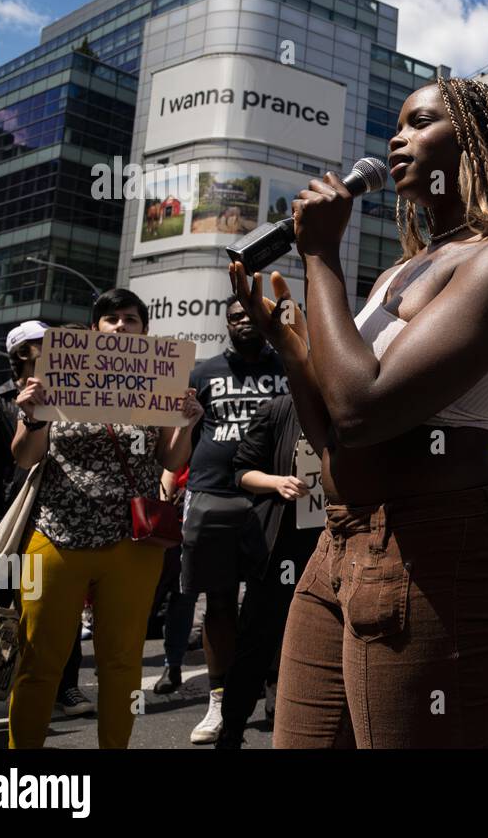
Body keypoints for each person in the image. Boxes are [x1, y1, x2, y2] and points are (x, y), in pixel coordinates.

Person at [230, 77, 488, 748]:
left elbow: (365, 410)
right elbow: (331, 427)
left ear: (477, 142)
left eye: (420, 122)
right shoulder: (400, 273)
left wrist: (321, 256)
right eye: (396, 126)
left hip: (436, 545)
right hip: (339, 539)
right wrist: (292, 349)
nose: (397, 138)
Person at [7, 289, 203, 749]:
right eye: (110, 318)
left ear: (143, 331)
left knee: (122, 664)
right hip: (55, 538)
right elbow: (22, 458)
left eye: (130, 319)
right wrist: (32, 416)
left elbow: (172, 459)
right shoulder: (56, 376)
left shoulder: (159, 385)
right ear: (95, 330)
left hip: (130, 545)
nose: (120, 326)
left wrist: (188, 423)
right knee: (38, 660)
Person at [0, 321, 94, 732]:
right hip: (6, 526)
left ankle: (65, 687)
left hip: (59, 523)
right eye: (41, 345)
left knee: (55, 608)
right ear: (21, 356)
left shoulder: (77, 400)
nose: (54, 349)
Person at [169, 300, 288, 745]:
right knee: (218, 602)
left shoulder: (290, 366)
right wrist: (170, 480)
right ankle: (219, 700)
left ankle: (275, 686)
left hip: (274, 497)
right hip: (213, 493)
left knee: (276, 600)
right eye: (235, 315)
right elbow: (181, 441)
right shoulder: (201, 373)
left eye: (251, 314)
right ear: (226, 324)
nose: (243, 321)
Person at [215, 392, 321, 748]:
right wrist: (277, 482)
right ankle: (231, 729)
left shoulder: (351, 406)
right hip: (282, 545)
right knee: (258, 638)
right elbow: (242, 472)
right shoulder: (278, 409)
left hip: (334, 539)